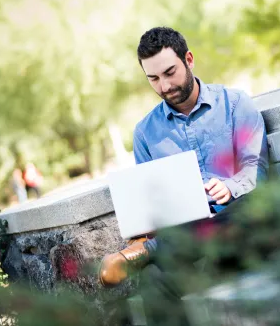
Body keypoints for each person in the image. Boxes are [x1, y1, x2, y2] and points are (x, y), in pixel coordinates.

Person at [99, 27, 269, 324]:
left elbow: (258, 172)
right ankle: (155, 252)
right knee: (153, 284)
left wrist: (230, 187)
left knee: (250, 213)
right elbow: (153, 204)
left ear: (188, 59)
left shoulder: (235, 104)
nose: (164, 86)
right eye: (153, 78)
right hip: (188, 240)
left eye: (170, 72)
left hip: (242, 223)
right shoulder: (145, 133)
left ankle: (147, 252)